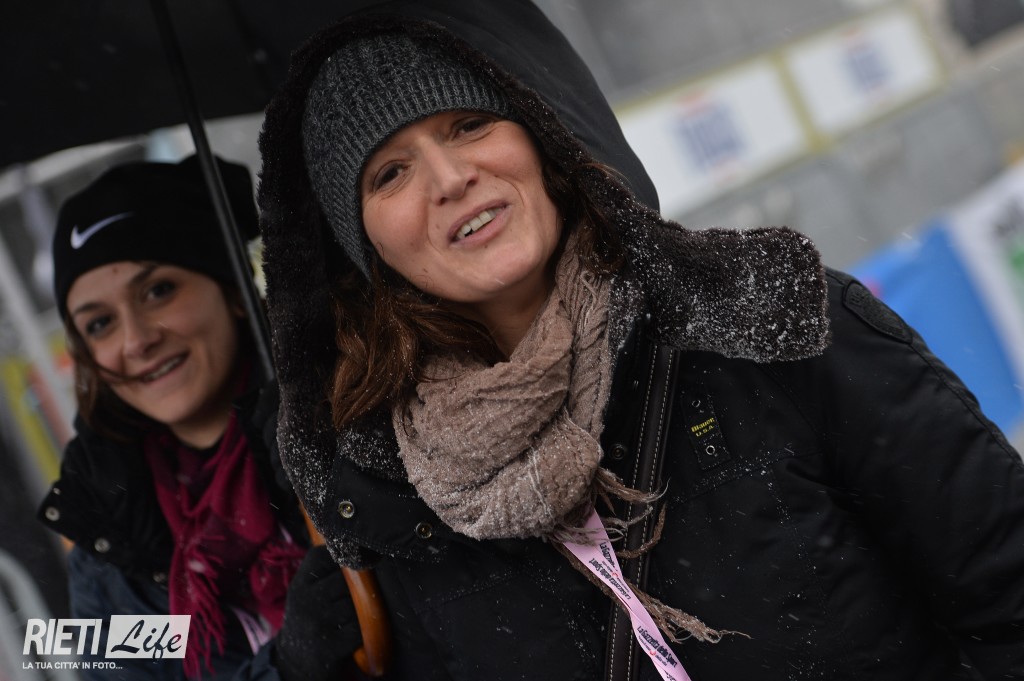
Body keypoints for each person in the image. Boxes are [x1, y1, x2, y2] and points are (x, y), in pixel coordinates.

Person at [257, 2, 1024, 679]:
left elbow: (1006, 588)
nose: (450, 176)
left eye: (469, 124)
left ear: (540, 134)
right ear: (364, 243)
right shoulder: (394, 510)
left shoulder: (762, 321)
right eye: (390, 173)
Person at [38, 155, 359, 681]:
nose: (136, 341)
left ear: (232, 290)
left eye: (158, 291)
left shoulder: (351, 411)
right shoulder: (103, 538)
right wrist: (286, 668)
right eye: (99, 324)